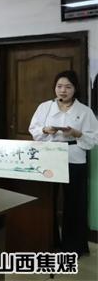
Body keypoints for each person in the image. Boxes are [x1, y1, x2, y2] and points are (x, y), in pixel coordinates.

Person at [29, 70, 98, 255]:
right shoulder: (45, 107)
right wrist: (46, 130)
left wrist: (77, 133)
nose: (63, 90)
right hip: (49, 157)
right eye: (59, 86)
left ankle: (73, 248)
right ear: (55, 88)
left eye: (68, 87)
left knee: (75, 203)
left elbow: (93, 139)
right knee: (47, 201)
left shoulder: (84, 111)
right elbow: (34, 130)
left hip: (75, 158)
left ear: (75, 89)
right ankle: (48, 243)